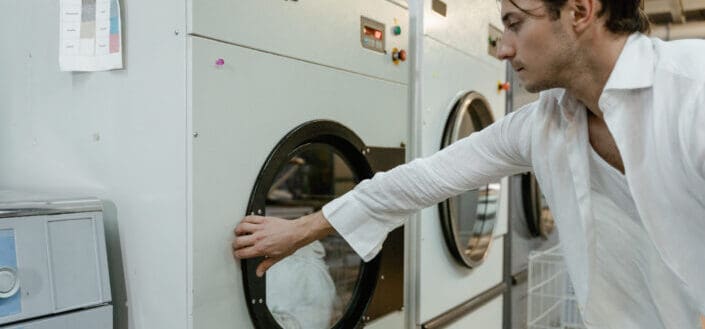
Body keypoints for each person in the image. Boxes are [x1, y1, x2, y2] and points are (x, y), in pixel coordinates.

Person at [233, 0, 705, 327]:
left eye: (516, 23)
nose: (502, 49)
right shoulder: (544, 125)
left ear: (580, 11)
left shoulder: (692, 92)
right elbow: (425, 179)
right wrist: (304, 229)